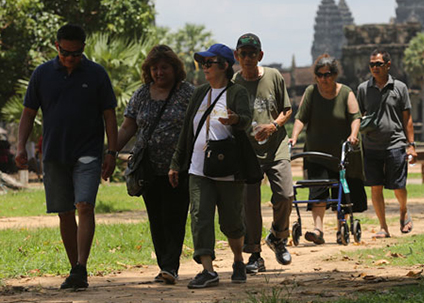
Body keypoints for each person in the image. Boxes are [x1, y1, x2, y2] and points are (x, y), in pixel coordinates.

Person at [15, 24, 118, 290]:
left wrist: (112, 152)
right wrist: (19, 147)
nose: (70, 58)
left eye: (75, 53)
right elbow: (28, 113)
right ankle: (75, 269)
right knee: (64, 211)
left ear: (83, 48)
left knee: (84, 204)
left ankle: (82, 266)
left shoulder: (96, 74)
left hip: (88, 152)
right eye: (65, 53)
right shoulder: (42, 74)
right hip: (54, 153)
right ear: (56, 46)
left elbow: (109, 115)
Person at [169, 43, 252, 288]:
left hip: (227, 166)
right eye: (202, 63)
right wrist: (176, 162)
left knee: (232, 221)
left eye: (209, 63)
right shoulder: (199, 93)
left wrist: (236, 119)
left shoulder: (237, 93)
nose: (204, 67)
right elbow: (187, 129)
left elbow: (246, 120)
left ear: (225, 66)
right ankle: (208, 270)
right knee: (199, 216)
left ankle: (238, 259)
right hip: (198, 167)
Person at [117, 45, 194, 285]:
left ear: (175, 69)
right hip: (147, 168)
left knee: (175, 215)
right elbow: (128, 127)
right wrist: (110, 151)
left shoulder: (187, 94)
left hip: (178, 168)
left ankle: (170, 265)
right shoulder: (141, 94)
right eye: (154, 68)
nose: (159, 73)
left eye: (164, 67)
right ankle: (165, 265)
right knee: (157, 217)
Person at [232, 33, 293, 273]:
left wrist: (273, 126)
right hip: (248, 151)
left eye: (252, 54)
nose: (248, 58)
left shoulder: (274, 76)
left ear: (260, 55)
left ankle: (277, 237)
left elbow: (287, 109)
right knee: (250, 203)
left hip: (276, 145)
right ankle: (254, 255)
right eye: (243, 54)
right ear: (237, 56)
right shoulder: (233, 84)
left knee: (285, 194)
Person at [289, 54, 362, 245]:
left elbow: (356, 117)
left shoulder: (346, 93)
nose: (324, 79)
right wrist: (295, 136)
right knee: (317, 190)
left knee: (342, 191)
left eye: (328, 74)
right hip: (316, 152)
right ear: (315, 77)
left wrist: (353, 135)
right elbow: (300, 117)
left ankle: (341, 228)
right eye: (320, 75)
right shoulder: (311, 92)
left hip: (340, 154)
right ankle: (317, 230)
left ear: (335, 74)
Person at [356, 49, 416, 239]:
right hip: (371, 144)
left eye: (378, 64)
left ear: (388, 65)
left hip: (395, 143)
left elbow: (407, 119)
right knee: (375, 186)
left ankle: (403, 210)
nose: (374, 68)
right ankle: (383, 227)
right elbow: (357, 116)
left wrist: (411, 144)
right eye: (372, 64)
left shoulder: (400, 88)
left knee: (398, 185)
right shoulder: (363, 89)